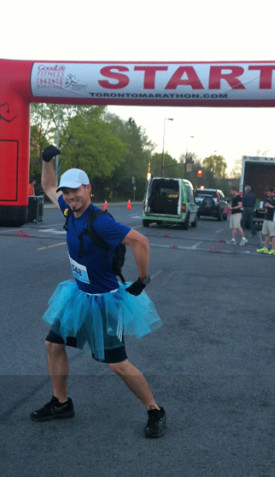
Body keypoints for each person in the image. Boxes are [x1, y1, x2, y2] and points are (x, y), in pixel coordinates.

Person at [31, 145, 166, 438]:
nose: (70, 196)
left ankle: (154, 410)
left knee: (117, 365)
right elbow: (48, 185)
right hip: (78, 297)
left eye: (76, 191)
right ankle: (61, 403)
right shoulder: (69, 211)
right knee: (53, 345)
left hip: (105, 302)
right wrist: (46, 160)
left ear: (88, 188)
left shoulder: (101, 221)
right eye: (67, 192)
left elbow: (140, 241)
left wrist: (142, 280)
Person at [257, 187, 275, 254]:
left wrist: (271, 206)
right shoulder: (268, 198)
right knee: (266, 234)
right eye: (266, 193)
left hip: (273, 219)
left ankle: (273, 249)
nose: (267, 194)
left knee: (273, 235)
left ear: (272, 192)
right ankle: (265, 248)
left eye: (268, 193)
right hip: (267, 218)